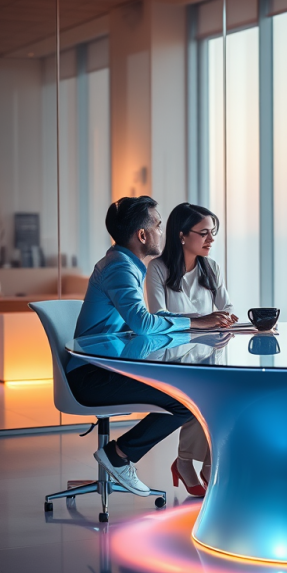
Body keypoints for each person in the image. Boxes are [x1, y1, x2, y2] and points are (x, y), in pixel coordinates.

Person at [67, 196, 230, 498]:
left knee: (188, 389)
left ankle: (134, 455)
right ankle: (119, 455)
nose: (161, 231)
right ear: (142, 235)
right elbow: (142, 323)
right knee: (185, 399)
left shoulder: (124, 264)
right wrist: (197, 323)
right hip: (93, 376)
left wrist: (194, 323)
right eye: (157, 225)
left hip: (105, 367)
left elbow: (142, 322)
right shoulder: (120, 268)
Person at [145, 203, 236, 496]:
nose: (211, 239)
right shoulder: (158, 268)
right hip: (172, 356)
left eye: (213, 232)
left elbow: (226, 306)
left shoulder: (211, 267)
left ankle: (204, 463)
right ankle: (189, 462)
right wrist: (203, 320)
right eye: (204, 233)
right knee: (203, 394)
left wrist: (225, 318)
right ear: (182, 235)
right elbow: (158, 317)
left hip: (209, 354)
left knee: (225, 395)